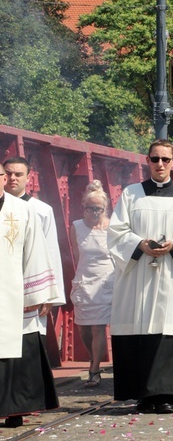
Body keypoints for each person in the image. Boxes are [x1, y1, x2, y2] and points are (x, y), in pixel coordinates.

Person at [107, 139, 173, 414]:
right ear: (147, 161)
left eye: (165, 159)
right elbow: (116, 232)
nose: (160, 164)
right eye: (155, 159)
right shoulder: (131, 194)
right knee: (138, 328)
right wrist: (140, 245)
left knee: (166, 332)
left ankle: (164, 395)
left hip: (171, 277)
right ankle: (142, 395)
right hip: (137, 274)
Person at [0, 167, 59, 428]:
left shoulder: (22, 210)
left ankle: (15, 408)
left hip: (13, 293)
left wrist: (36, 293)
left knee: (15, 348)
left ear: (2, 179)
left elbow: (36, 250)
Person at [4, 157, 65, 347]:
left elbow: (51, 252)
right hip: (3, 283)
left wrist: (49, 295)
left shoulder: (41, 210)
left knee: (27, 339)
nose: (13, 178)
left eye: (18, 174)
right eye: (8, 173)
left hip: (29, 286)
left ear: (28, 178)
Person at [70, 180, 114, 388]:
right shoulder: (77, 227)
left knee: (98, 327)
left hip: (106, 282)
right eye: (91, 208)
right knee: (83, 328)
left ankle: (94, 370)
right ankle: (92, 357)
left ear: (105, 208)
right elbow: (76, 255)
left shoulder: (112, 228)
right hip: (84, 280)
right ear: (84, 207)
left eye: (99, 209)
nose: (95, 212)